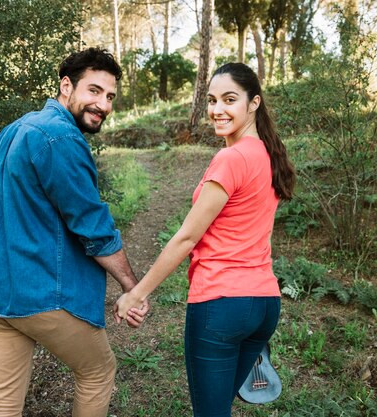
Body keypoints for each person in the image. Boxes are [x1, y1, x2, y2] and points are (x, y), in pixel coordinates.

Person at [0, 47, 149, 417]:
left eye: (110, 96)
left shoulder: (16, 128)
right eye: (94, 91)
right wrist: (133, 287)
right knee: (98, 371)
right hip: (37, 294)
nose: (103, 104)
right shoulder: (60, 138)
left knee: (2, 400)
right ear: (66, 86)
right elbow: (92, 226)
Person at [116, 62, 296, 417]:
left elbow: (186, 239)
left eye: (229, 99)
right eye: (212, 100)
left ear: (254, 102)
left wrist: (137, 293)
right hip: (264, 305)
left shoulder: (231, 158)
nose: (217, 110)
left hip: (222, 305)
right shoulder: (268, 154)